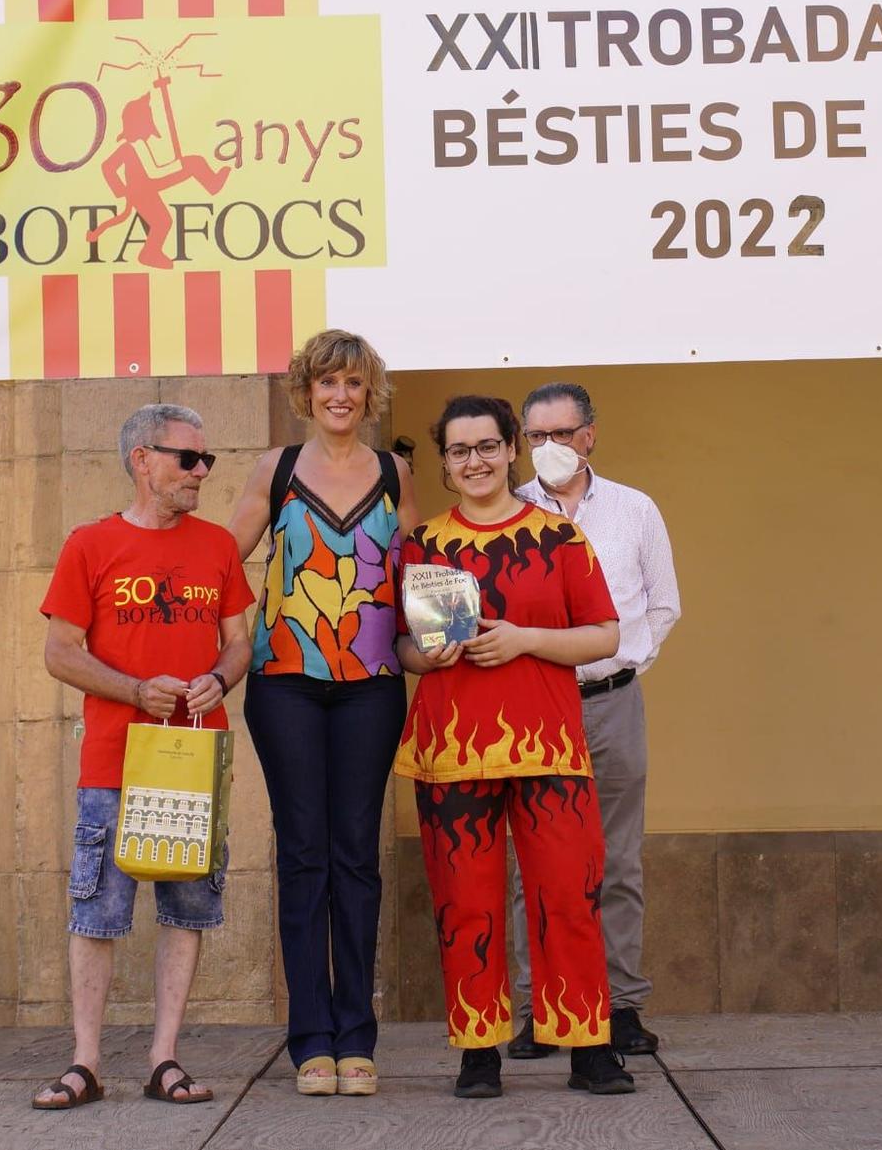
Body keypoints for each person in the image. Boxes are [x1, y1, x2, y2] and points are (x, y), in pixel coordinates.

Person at [394, 394, 634, 1099]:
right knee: (464, 902)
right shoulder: (424, 545)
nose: (475, 461)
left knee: (569, 896)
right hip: (453, 746)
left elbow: (605, 635)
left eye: (488, 446)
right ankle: (478, 1051)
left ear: (511, 451)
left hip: (549, 746)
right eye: (461, 450)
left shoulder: (559, 538)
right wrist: (426, 654)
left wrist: (525, 638)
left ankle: (589, 1045)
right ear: (445, 463)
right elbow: (400, 645)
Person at [31, 404, 254, 1112]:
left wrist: (219, 678)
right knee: (97, 910)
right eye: (188, 459)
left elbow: (240, 639)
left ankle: (165, 1056)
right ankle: (86, 1061)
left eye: (205, 460)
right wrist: (134, 688)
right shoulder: (90, 545)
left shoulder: (217, 545)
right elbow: (59, 651)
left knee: (187, 907)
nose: (200, 472)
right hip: (113, 758)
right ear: (142, 460)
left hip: (194, 757)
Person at [228, 331, 416, 1097]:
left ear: (370, 393)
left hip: (372, 685)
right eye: (327, 381)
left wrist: (438, 642)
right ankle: (309, 1037)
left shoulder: (396, 472)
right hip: (285, 685)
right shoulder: (273, 470)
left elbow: (417, 579)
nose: (341, 394)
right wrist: (232, 639)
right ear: (305, 391)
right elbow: (219, 564)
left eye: (354, 382)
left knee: (357, 857)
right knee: (303, 852)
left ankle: (356, 1035)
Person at [508, 382, 681, 1060]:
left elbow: (663, 604)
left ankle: (623, 1003)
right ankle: (536, 1007)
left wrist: (623, 663)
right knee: (533, 867)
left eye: (561, 432)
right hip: (535, 705)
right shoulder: (512, 511)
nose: (547, 447)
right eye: (535, 436)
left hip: (612, 702)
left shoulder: (635, 510)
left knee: (616, 860)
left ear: (590, 434)